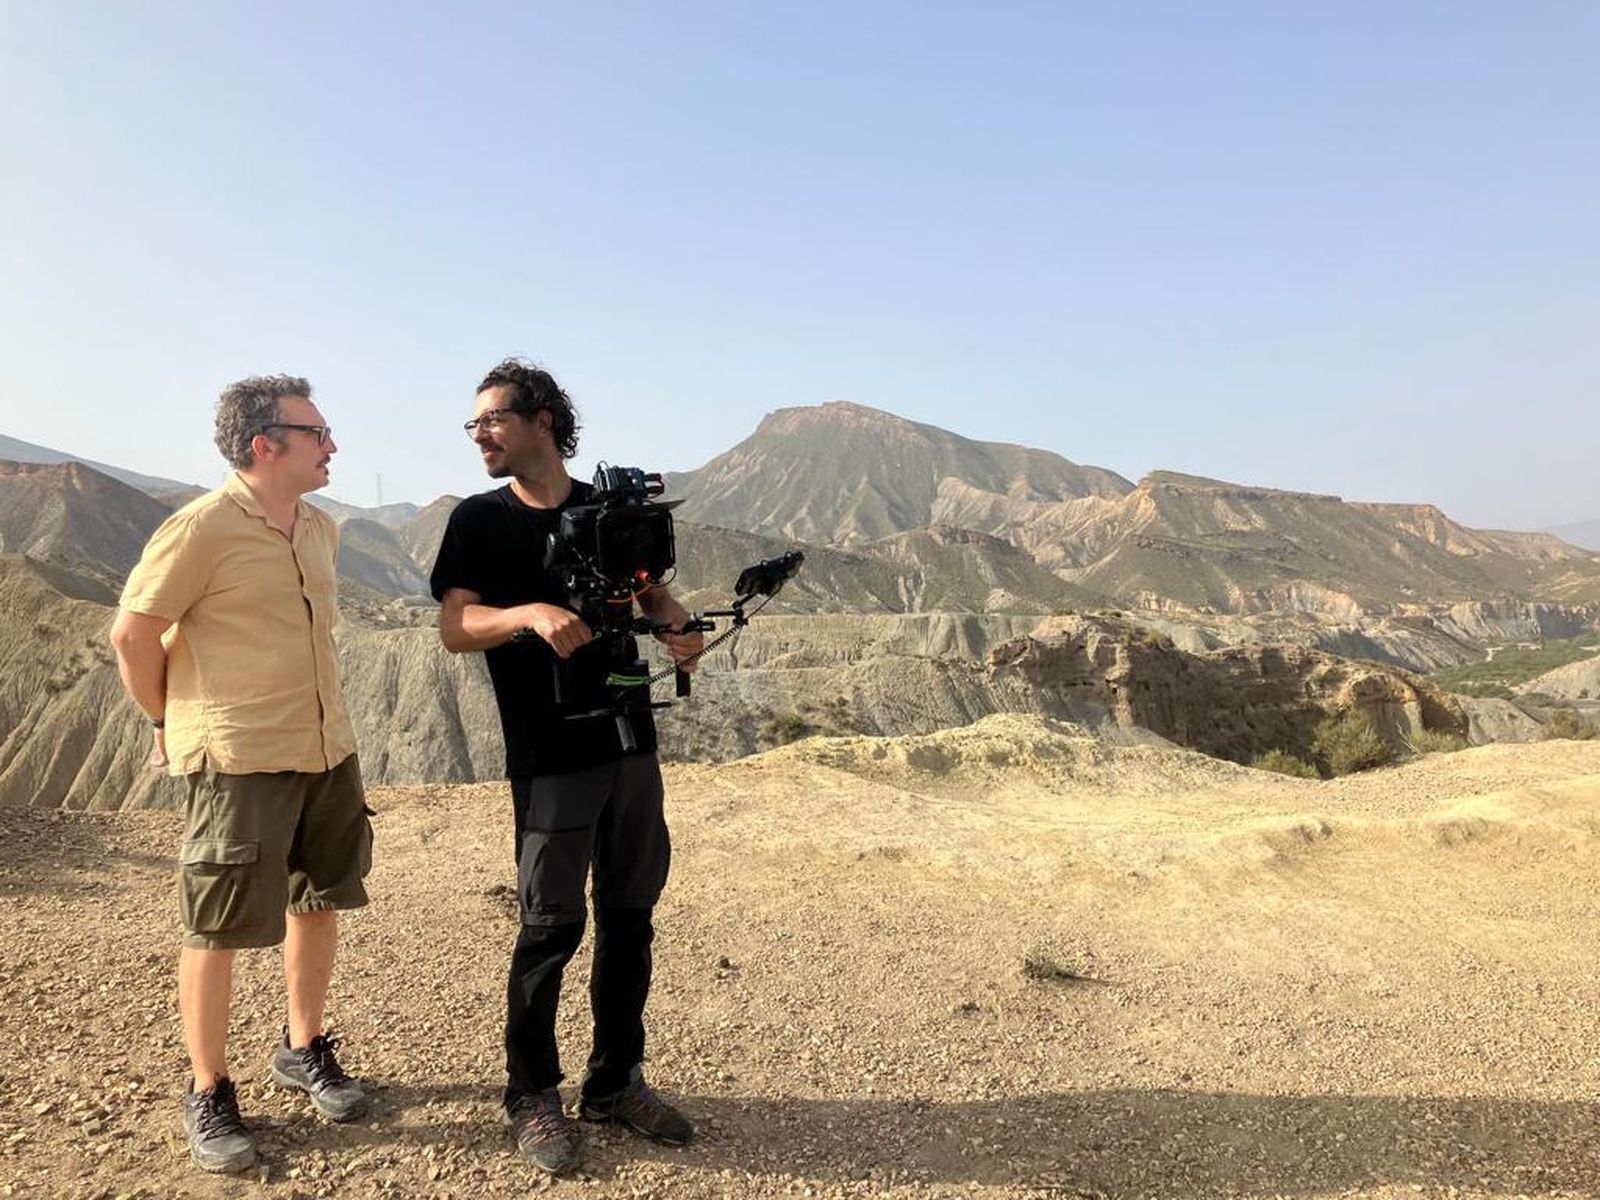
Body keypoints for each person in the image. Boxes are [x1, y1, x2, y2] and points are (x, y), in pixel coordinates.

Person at [431, 358, 702, 1176]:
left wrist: (678, 624)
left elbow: (649, 593)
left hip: (629, 743)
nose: (479, 434)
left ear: (541, 420)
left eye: (492, 420)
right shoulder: (477, 520)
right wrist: (530, 613)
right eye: (473, 424)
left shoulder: (610, 510)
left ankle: (615, 1082)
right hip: (549, 753)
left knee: (630, 918)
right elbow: (456, 626)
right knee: (551, 928)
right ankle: (531, 1092)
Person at [110, 375, 372, 1174]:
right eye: (318, 433)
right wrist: (168, 724)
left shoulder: (320, 528)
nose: (333, 446)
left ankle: (302, 1048)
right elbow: (133, 635)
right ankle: (209, 1087)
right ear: (268, 444)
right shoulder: (201, 529)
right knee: (217, 926)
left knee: (318, 901)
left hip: (326, 749)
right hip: (238, 757)